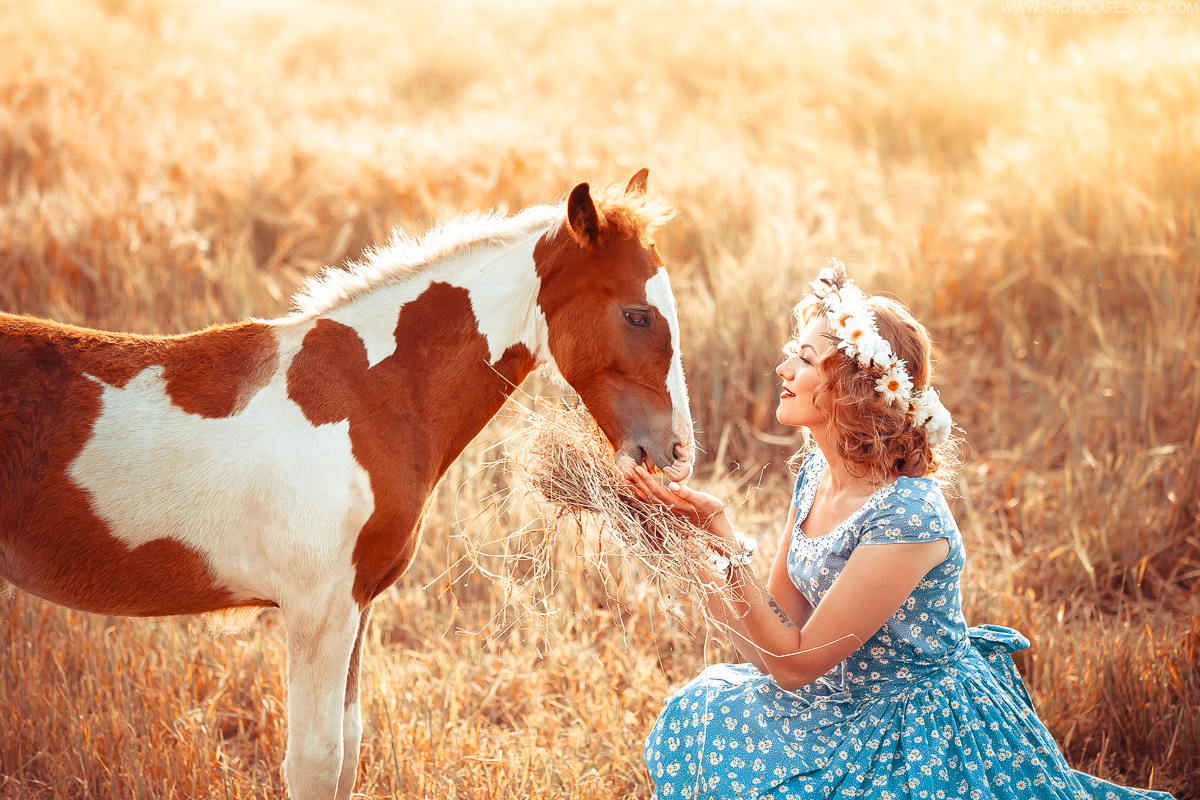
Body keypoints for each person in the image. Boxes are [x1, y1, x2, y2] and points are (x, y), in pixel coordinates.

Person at [625, 261, 1174, 800]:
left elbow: (793, 664)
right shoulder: (816, 472)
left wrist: (721, 530)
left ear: (852, 388)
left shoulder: (908, 516)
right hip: (838, 698)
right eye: (793, 352)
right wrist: (694, 540)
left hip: (919, 730)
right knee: (699, 712)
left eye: (806, 358)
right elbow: (773, 636)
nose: (783, 368)